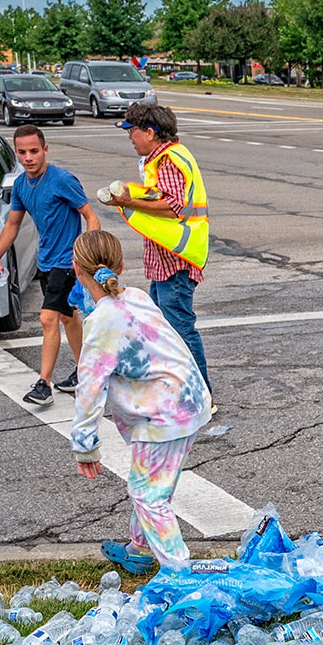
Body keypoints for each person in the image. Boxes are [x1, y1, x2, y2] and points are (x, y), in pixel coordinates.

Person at [66, 230, 211, 575]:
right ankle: (140, 549)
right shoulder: (135, 297)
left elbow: (89, 387)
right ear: (121, 265)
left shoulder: (102, 323)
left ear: (76, 269)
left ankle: (180, 574)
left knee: (148, 493)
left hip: (164, 413)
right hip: (188, 399)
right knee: (153, 483)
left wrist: (85, 446)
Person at [99, 102, 213, 413]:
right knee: (165, 329)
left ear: (150, 132)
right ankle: (178, 390)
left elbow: (174, 205)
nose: (130, 137)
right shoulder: (163, 158)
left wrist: (129, 201)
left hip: (176, 260)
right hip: (165, 260)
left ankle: (201, 396)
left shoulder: (168, 160)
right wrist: (129, 198)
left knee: (180, 329)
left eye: (132, 131)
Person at [0, 125, 101, 407]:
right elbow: (13, 224)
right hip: (46, 261)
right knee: (67, 318)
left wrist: (87, 254)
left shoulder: (62, 180)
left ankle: (43, 384)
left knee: (48, 319)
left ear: (45, 149)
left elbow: (90, 215)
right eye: (22, 152)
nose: (29, 157)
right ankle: (85, 372)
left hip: (68, 263)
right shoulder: (22, 185)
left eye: (34, 151)